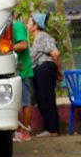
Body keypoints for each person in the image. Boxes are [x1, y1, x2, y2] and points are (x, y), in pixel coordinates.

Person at [28, 12, 62, 138]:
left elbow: (56, 54)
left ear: (36, 25)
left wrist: (59, 71)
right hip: (40, 70)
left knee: (46, 99)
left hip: (45, 69)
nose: (27, 24)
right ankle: (51, 129)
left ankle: (52, 130)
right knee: (42, 100)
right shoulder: (37, 38)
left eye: (29, 22)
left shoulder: (43, 36)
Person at [12, 11, 34, 141]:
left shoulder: (17, 26)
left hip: (23, 71)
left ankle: (26, 133)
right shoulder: (11, 28)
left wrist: (8, 48)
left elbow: (23, 44)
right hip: (16, 71)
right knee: (17, 104)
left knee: (25, 103)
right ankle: (19, 132)